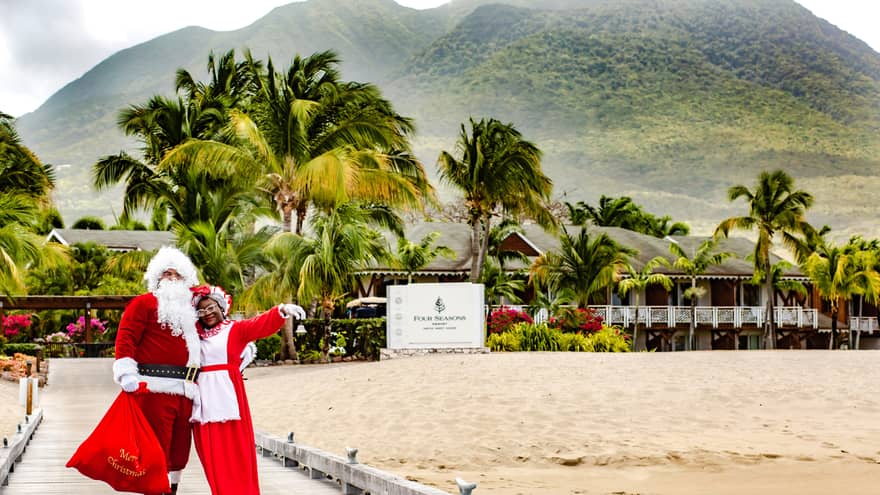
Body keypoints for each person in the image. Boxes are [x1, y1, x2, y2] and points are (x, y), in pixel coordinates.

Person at [190, 285, 306, 495]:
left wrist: (281, 310)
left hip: (228, 397)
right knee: (211, 454)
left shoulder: (235, 329)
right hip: (202, 400)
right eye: (201, 311)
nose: (207, 314)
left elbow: (258, 325)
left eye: (211, 308)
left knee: (236, 451)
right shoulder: (193, 335)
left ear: (221, 307)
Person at [112, 246, 202, 495]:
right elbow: (126, 337)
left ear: (186, 279)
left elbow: (213, 336)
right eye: (167, 274)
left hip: (186, 391)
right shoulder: (143, 304)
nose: (172, 279)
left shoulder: (193, 310)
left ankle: (171, 490)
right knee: (155, 449)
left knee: (180, 450)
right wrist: (126, 372)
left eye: (177, 275)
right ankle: (154, 490)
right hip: (154, 390)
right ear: (157, 277)